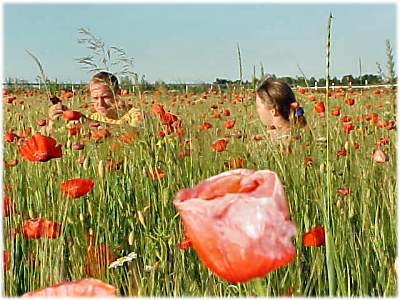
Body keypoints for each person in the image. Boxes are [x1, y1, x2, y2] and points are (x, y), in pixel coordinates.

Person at [48, 71, 141, 128]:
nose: (100, 103)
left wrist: (89, 123)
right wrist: (54, 121)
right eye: (95, 98)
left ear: (118, 93)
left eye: (105, 97)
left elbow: (132, 134)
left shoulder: (135, 114)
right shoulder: (93, 117)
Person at [255, 79, 307, 146]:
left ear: (273, 111)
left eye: (258, 106)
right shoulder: (302, 133)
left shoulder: (283, 143)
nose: (257, 110)